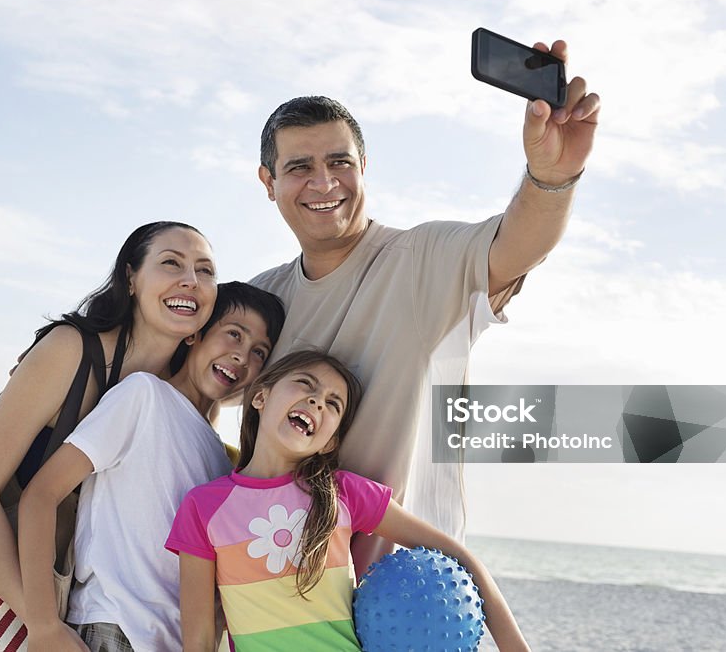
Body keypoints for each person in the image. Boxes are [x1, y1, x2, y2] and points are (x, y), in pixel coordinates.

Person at [249, 40, 601, 573]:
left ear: (363, 167)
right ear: (268, 182)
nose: (324, 183)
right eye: (300, 167)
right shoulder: (261, 301)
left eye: (339, 162)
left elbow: (517, 248)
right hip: (282, 602)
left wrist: (552, 178)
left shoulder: (420, 259)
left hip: (405, 599)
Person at [0, 221, 220, 628]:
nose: (190, 281)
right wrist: (42, 624)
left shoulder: (176, 400)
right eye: (171, 263)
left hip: (67, 599)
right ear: (130, 278)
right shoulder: (71, 350)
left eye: (205, 271)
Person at [167, 350, 530, 651]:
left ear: (329, 442)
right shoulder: (204, 507)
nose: (316, 402)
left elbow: (459, 557)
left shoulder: (344, 493)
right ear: (260, 396)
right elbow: (198, 638)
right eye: (305, 384)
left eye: (333, 404)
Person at [18, 282, 285, 652]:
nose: (242, 356)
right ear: (195, 334)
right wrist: (44, 624)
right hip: (113, 628)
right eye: (234, 335)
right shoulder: (143, 395)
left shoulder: (226, 462)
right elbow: (41, 495)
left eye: (259, 352)